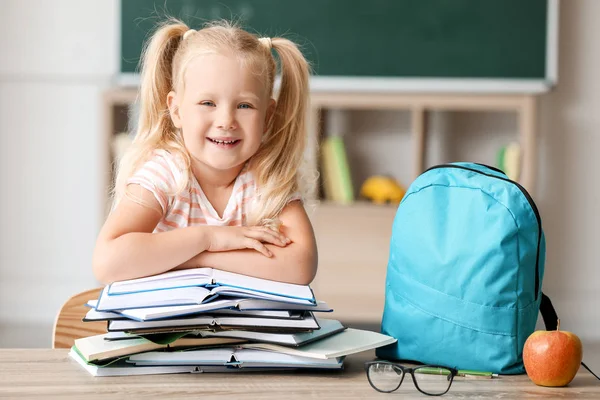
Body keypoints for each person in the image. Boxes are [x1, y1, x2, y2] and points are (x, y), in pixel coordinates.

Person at [92, 19, 317, 285]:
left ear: (268, 117)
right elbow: (108, 262)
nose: (226, 121)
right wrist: (208, 238)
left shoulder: (268, 178)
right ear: (176, 110)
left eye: (244, 105)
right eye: (208, 103)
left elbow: (300, 266)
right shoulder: (166, 173)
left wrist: (200, 259)